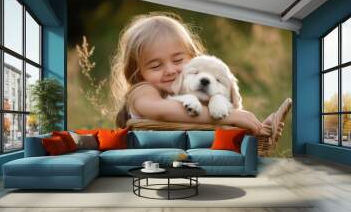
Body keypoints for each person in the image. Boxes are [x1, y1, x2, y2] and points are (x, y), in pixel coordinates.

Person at [110, 12, 290, 143]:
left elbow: (212, 128)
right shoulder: (142, 91)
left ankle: (259, 133)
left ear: (193, 58)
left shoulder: (194, 89)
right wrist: (229, 117)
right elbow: (162, 111)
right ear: (138, 71)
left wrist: (249, 126)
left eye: (178, 60)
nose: (170, 70)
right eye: (156, 66)